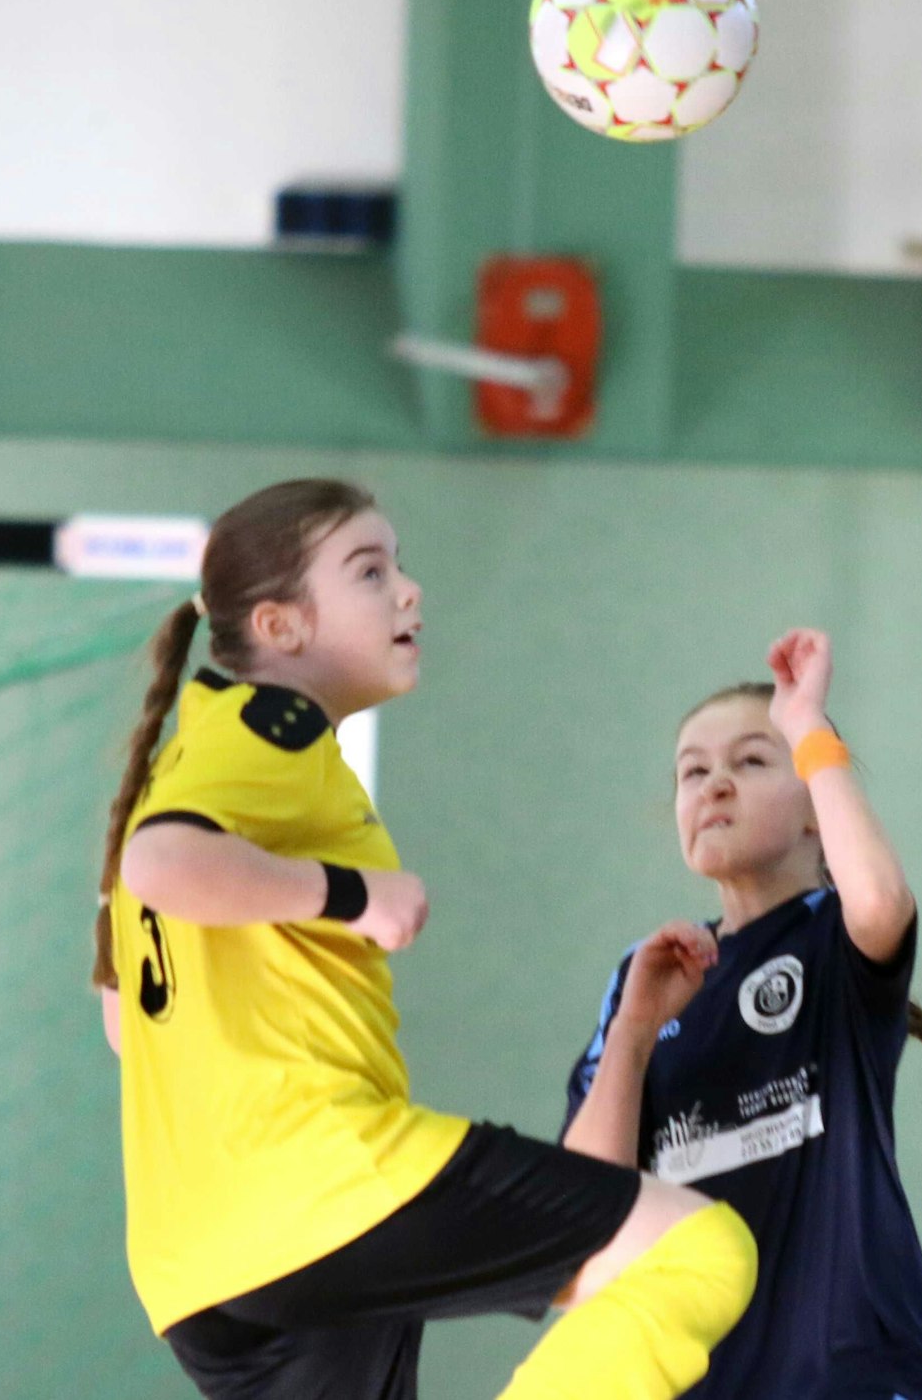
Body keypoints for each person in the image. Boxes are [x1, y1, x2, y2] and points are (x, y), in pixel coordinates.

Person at [92, 478, 754, 1400]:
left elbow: (124, 1017)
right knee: (696, 1250)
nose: (409, 590)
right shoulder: (264, 729)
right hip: (315, 1186)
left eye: (400, 566)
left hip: (192, 1267)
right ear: (281, 627)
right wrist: (352, 895)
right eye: (371, 571)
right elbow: (160, 866)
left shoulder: (191, 753)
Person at [562, 629, 922, 1400]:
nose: (714, 785)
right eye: (692, 771)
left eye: (751, 761)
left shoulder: (831, 937)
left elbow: (880, 898)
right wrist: (632, 1037)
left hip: (854, 1374)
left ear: (815, 813)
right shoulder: (644, 980)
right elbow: (580, 1225)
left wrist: (807, 725)